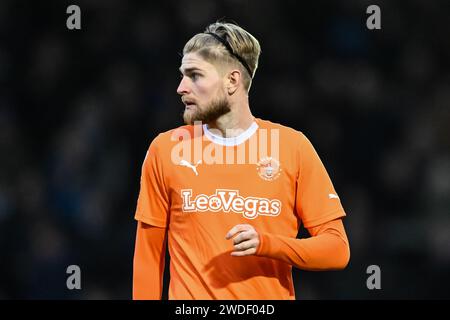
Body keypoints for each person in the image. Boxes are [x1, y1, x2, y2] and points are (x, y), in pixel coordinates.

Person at [132, 21, 350, 300]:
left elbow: (337, 249)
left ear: (232, 81)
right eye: (182, 75)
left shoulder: (292, 147)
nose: (181, 87)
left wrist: (267, 244)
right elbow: (148, 258)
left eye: (195, 75)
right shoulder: (166, 149)